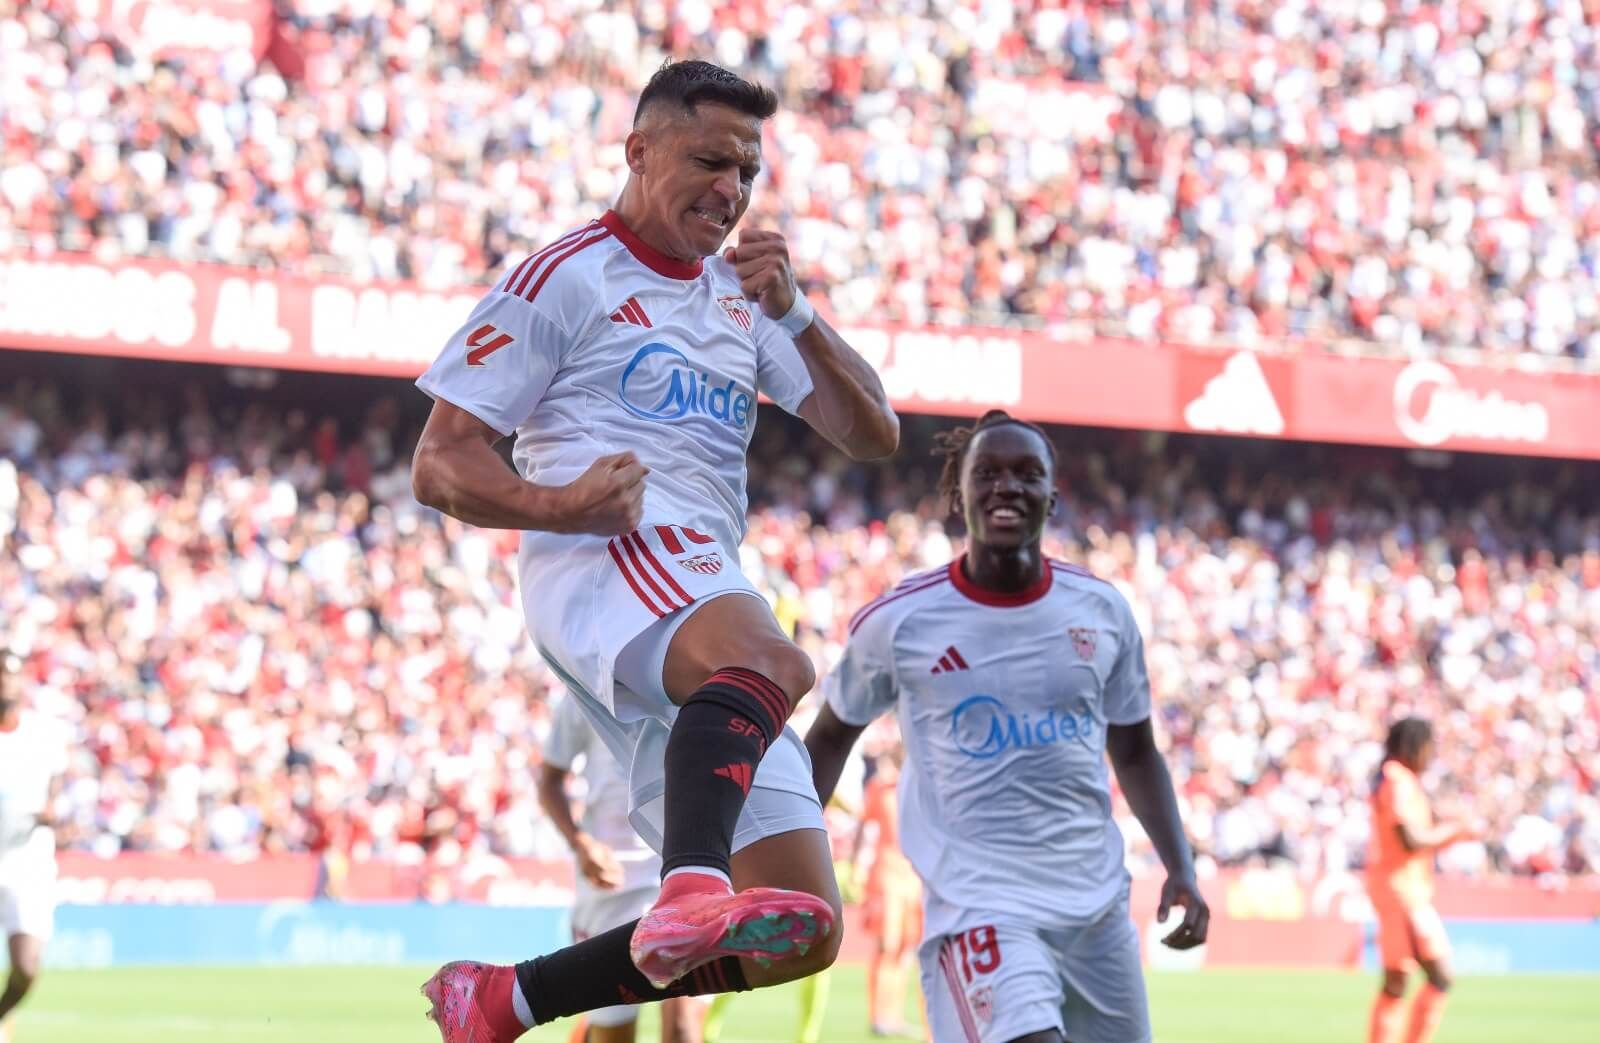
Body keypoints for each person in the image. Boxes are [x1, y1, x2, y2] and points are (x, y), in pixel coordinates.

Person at [412, 59, 899, 1043]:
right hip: (607, 555)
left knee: (801, 928)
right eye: (709, 160)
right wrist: (557, 503)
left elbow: (874, 434)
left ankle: (505, 997)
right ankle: (688, 883)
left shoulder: (739, 299)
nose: (730, 190)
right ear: (637, 151)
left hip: (694, 587)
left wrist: (796, 312)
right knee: (775, 660)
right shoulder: (563, 277)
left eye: (748, 173)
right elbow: (441, 462)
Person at [805, 410, 1209, 1043]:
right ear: (956, 492)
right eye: (987, 472)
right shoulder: (901, 622)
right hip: (980, 908)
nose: (1006, 487)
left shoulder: (1101, 612)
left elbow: (1134, 750)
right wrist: (785, 858)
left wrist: (1180, 866)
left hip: (1095, 909)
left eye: (1027, 474)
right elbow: (831, 734)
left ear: (1052, 495)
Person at [540, 692, 703, 1043]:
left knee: (683, 1029)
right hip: (611, 887)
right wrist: (580, 843)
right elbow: (549, 779)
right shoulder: (582, 687)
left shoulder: (693, 677)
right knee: (614, 1035)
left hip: (683, 872)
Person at [1366, 718, 1474, 1043]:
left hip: (1402, 888)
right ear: (1414, 745)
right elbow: (1410, 839)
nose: (1431, 755)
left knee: (1398, 977)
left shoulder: (1399, 779)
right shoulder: (1397, 779)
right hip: (1402, 891)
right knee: (1437, 974)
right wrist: (1455, 832)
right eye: (1429, 747)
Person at [0, 650, 68, 1043]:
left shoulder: (42, 734)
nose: (6, 681)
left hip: (26, 862)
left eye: (12, 674)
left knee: (26, 967)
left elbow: (56, 774)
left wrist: (51, 806)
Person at [854, 748, 922, 1038]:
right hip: (887, 876)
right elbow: (863, 824)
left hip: (914, 877)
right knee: (887, 946)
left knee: (905, 949)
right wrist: (857, 862)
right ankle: (878, 1014)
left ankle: (892, 1015)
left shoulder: (920, 788)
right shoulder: (881, 790)